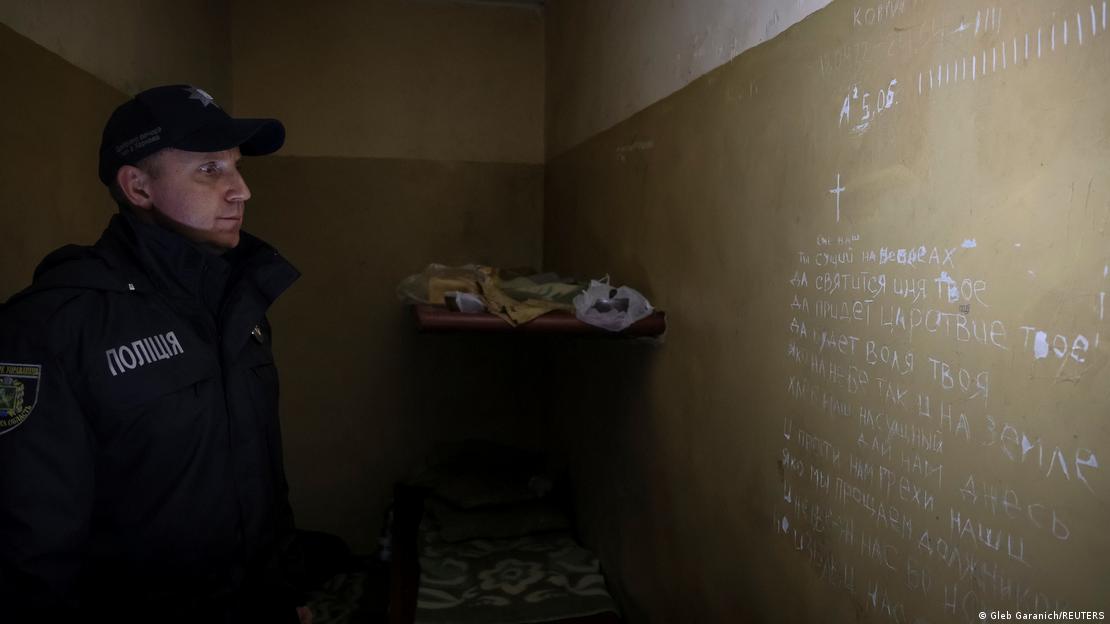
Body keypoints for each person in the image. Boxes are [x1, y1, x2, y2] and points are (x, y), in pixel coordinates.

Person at [0, 85, 311, 623]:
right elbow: (31, 546)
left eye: (236, 167)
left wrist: (283, 592)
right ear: (138, 187)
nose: (241, 191)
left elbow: (260, 477)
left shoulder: (237, 300)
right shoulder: (54, 326)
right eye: (210, 170)